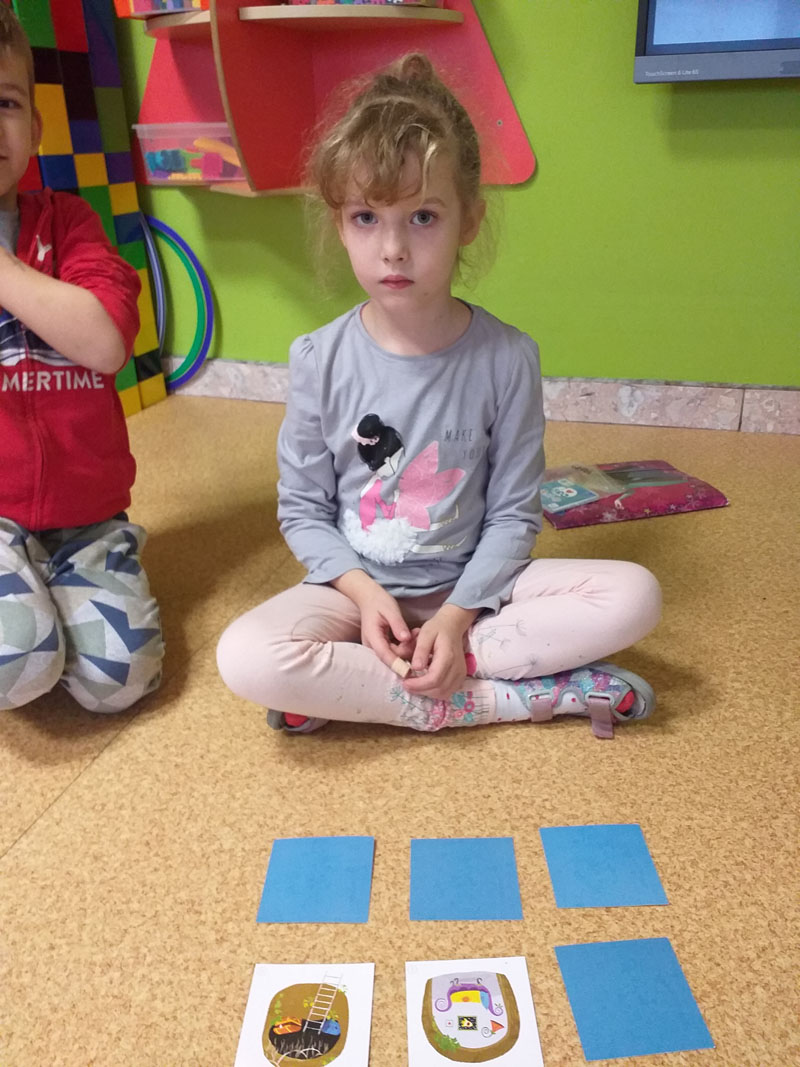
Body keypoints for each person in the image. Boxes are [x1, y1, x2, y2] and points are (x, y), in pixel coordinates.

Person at [217, 53, 661, 739]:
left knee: (636, 595)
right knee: (245, 656)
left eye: (422, 216)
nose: (393, 248)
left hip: (477, 596)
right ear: (339, 224)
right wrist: (364, 596)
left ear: (469, 221)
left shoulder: (507, 357)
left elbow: (513, 514)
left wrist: (455, 618)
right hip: (358, 597)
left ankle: (393, 683)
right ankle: (505, 697)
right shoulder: (317, 358)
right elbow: (304, 510)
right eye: (367, 217)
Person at [0, 6, 163, 714]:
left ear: (34, 127)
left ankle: (59, 583)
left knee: (117, 682)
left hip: (86, 522)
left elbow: (104, 344)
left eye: (5, 104)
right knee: (17, 664)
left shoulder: (69, 223)